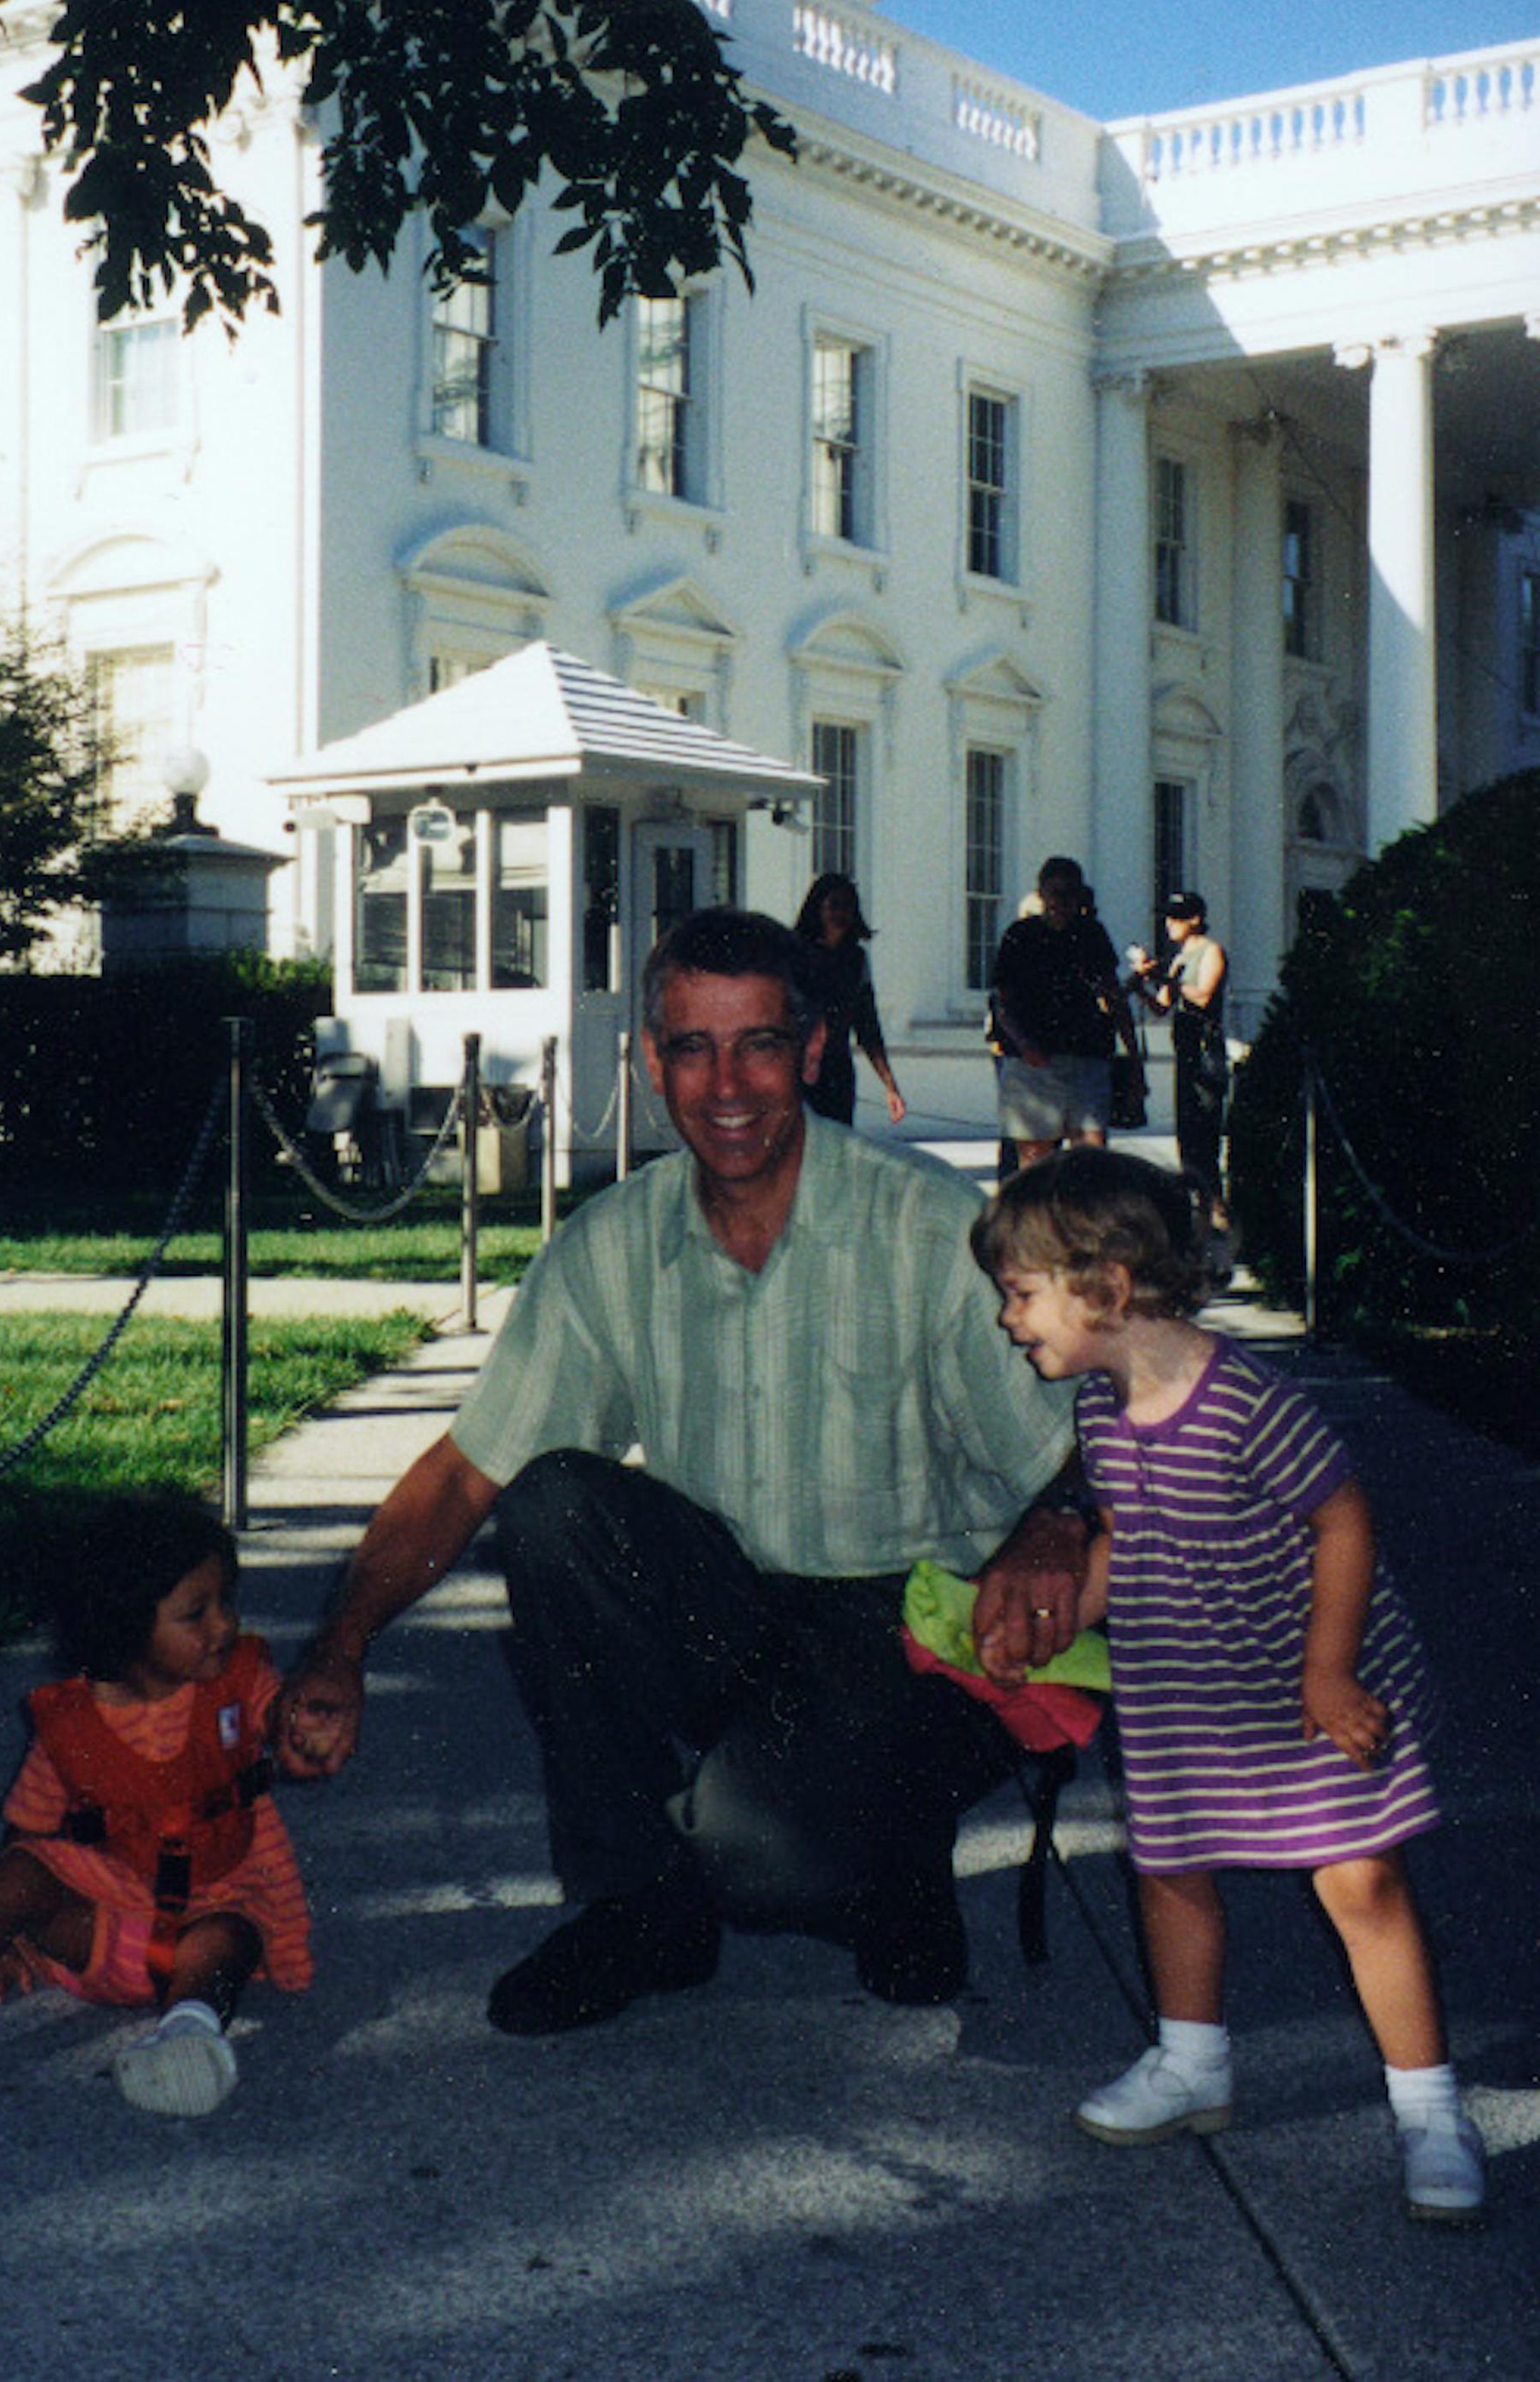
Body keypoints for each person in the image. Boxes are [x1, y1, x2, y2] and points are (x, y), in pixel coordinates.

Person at [277, 906, 1087, 2036]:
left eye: (758, 1041)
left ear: (811, 1051)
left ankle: (890, 1859)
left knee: (769, 1861)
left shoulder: (929, 1229)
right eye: (691, 1047)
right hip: (737, 1610)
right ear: (652, 1061)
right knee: (555, 1501)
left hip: (908, 1630)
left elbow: (1076, 1453)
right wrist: (342, 1643)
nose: (727, 1083)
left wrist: (1062, 1517)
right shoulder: (609, 1244)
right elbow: (469, 1471)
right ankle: (643, 1909)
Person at [971, 1151, 1484, 2225]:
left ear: (1104, 1288)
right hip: (1185, 1687)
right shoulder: (1106, 1413)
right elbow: (1128, 1539)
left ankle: (1431, 2107)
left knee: (1359, 1883)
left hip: (1304, 1680)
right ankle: (1193, 2062)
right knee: (1169, 1869)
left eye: (1021, 1293)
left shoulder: (1248, 1401)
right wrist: (1053, 1620)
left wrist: (1329, 1667)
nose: (1010, 1319)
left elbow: (1343, 1520)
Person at [0, 1493, 312, 2117]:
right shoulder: (70, 1729)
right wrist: (3, 1940)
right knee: (24, 1872)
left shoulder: (239, 1683)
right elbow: (23, 1845)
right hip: (94, 1933)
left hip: (204, 1916)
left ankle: (186, 2038)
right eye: (196, 1613)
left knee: (233, 1937)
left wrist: (305, 1721)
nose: (225, 1624)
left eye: (226, 1601)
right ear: (124, 1626)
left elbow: (278, 1708)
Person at [990, 854, 1144, 1165]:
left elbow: (1113, 996)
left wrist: (1133, 1055)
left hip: (1085, 1059)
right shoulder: (1020, 935)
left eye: (1069, 894)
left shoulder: (1092, 934)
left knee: (1089, 1162)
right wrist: (1025, 1045)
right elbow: (1002, 1002)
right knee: (1036, 1168)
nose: (1062, 902)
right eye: (1055, 893)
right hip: (1033, 1066)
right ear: (1041, 895)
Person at [1126, 891, 1229, 1224]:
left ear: (1195, 919)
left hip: (1205, 1056)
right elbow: (1162, 1006)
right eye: (1168, 917)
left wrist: (1164, 978)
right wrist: (1141, 985)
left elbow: (1202, 996)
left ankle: (1217, 1216)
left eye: (1177, 917)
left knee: (1205, 1142)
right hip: (1184, 1058)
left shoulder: (1211, 952)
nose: (1169, 924)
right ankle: (1198, 1219)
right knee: (1187, 1143)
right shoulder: (1179, 959)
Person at [793, 871, 906, 1128]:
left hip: (837, 1070)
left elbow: (868, 1026)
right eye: (834, 905)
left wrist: (890, 1085)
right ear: (818, 907)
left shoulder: (856, 961)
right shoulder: (795, 954)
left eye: (849, 907)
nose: (842, 914)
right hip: (797, 1069)